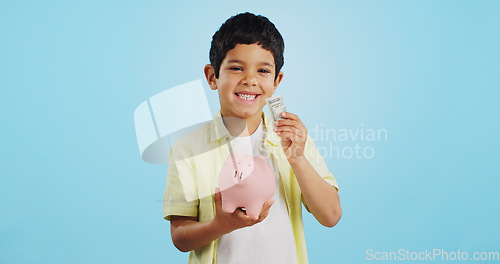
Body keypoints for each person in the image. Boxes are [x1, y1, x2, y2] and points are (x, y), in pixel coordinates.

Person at [163, 12, 342, 264]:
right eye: (236, 68)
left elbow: (331, 215)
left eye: (263, 70)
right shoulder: (187, 149)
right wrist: (220, 224)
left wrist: (298, 160)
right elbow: (180, 237)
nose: (250, 80)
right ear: (212, 76)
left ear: (276, 81)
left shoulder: (294, 140)